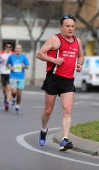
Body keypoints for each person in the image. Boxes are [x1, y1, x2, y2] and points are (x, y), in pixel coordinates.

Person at [36, 14, 84, 151]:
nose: (70, 29)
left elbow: (81, 55)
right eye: (67, 26)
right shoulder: (55, 40)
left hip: (68, 80)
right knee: (48, 110)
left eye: (72, 26)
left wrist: (79, 64)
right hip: (53, 78)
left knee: (68, 111)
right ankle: (43, 129)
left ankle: (64, 140)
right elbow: (39, 54)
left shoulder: (77, 41)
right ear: (61, 27)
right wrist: (54, 60)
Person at [6, 44, 29, 114]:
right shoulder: (11, 57)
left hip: (21, 77)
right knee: (14, 92)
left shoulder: (24, 57)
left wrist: (24, 66)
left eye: (19, 48)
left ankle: (17, 106)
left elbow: (27, 67)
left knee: (19, 93)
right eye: (16, 48)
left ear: (21, 50)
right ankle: (13, 99)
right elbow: (7, 64)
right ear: (14, 49)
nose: (18, 49)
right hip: (13, 76)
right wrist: (10, 68)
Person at [0, 42, 14, 110]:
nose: (8, 48)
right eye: (7, 46)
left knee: (9, 89)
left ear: (11, 48)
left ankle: (7, 103)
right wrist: (0, 60)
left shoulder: (13, 54)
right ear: (5, 47)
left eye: (9, 47)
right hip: (3, 72)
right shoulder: (1, 52)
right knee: (4, 88)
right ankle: (5, 97)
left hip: (10, 73)